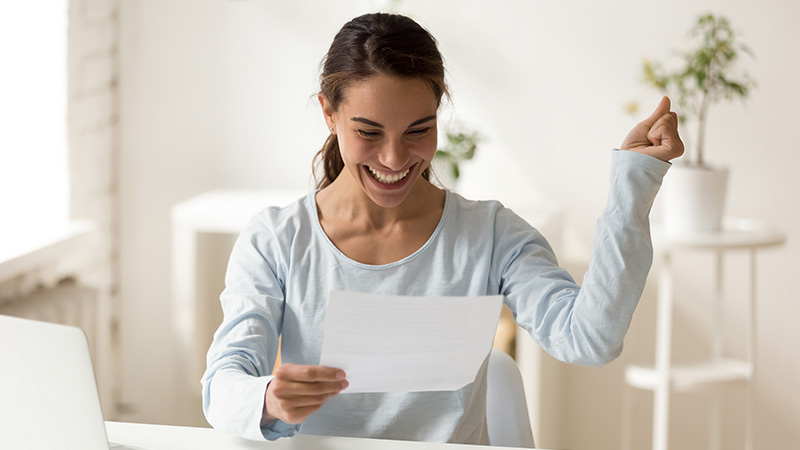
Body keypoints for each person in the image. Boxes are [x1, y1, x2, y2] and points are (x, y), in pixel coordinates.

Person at [201, 12, 683, 445]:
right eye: (368, 132)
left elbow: (590, 340)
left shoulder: (491, 234)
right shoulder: (277, 240)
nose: (393, 159)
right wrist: (268, 399)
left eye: (418, 130)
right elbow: (222, 385)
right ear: (330, 113)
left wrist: (633, 187)